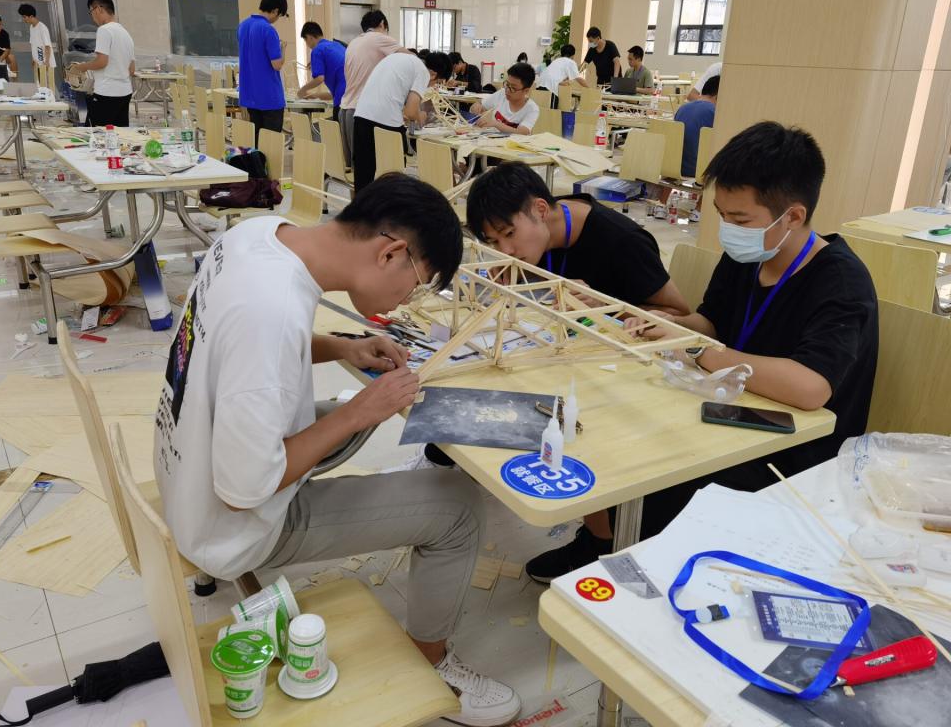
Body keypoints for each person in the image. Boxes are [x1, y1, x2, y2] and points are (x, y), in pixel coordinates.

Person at [155, 173, 523, 727]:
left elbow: (250, 343)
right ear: (391, 253)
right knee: (459, 508)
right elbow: (242, 491)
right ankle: (432, 665)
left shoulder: (257, 237)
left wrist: (342, 348)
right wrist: (360, 411)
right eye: (416, 285)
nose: (407, 301)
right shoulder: (273, 310)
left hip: (184, 461)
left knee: (351, 416)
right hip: (227, 523)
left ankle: (355, 420)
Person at [528, 122, 879, 582]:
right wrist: (665, 324)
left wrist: (700, 350)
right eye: (721, 214)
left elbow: (810, 387)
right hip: (731, 411)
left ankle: (633, 565)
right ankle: (601, 542)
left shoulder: (842, 282)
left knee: (656, 476)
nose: (728, 230)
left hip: (794, 449)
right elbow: (710, 322)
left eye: (740, 220)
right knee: (609, 425)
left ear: (793, 216)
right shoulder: (748, 256)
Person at [391, 160, 690, 476]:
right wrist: (518, 277)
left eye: (508, 234)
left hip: (615, 377)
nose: (505, 249)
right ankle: (443, 461)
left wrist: (611, 306)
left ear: (541, 209)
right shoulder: (539, 233)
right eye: (493, 242)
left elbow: (682, 316)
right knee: (475, 368)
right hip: (557, 352)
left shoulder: (623, 242)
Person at [353, 50, 451, 192]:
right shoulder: (423, 71)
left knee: (364, 173)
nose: (431, 86)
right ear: (433, 74)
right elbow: (410, 112)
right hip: (386, 122)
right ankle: (392, 204)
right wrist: (420, 116)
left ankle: (362, 205)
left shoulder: (399, 58)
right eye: (437, 82)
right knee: (394, 174)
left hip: (362, 115)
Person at [339, 11, 408, 166]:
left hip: (346, 110)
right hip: (366, 114)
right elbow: (411, 59)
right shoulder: (379, 38)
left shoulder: (353, 43)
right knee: (376, 168)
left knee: (359, 170)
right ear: (382, 24)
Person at [68, 0, 135, 127]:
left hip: (106, 93)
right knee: (118, 134)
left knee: (95, 134)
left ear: (98, 9)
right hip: (125, 93)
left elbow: (102, 62)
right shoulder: (125, 33)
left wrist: (81, 67)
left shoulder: (104, 30)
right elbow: (132, 69)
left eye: (91, 12)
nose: (92, 17)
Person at [238, 0, 287, 144]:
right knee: (272, 146)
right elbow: (277, 65)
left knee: (257, 143)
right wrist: (283, 49)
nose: (277, 19)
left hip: (250, 95)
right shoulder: (268, 30)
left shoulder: (243, 26)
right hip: (269, 97)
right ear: (276, 11)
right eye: (279, 15)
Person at [469, 62, 539, 136]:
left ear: (526, 91)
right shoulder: (502, 94)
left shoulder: (531, 108)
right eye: (507, 84)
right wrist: (476, 106)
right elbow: (481, 105)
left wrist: (496, 124)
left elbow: (522, 132)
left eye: (513, 88)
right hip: (491, 140)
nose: (507, 90)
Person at [297, 21, 346, 121]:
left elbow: (319, 78)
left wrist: (302, 90)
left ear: (310, 37)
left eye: (305, 40)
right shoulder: (337, 46)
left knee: (337, 131)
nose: (306, 44)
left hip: (342, 104)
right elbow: (333, 94)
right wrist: (313, 96)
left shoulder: (317, 50)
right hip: (354, 100)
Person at [673, 74, 718, 177]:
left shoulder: (682, 108)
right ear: (717, 95)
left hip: (675, 168)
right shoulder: (715, 112)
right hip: (699, 171)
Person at [18, 4, 55, 70]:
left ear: (31, 16)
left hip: (46, 63)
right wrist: (33, 59)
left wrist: (47, 61)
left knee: (46, 77)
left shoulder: (42, 28)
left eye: (24, 17)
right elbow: (33, 44)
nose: (23, 19)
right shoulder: (31, 27)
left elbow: (47, 46)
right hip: (37, 63)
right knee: (38, 77)